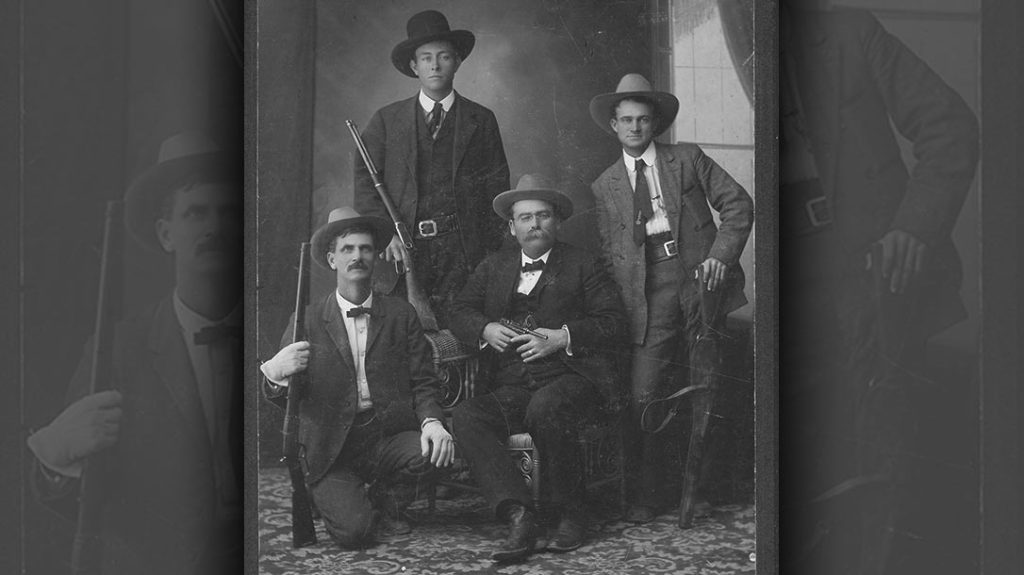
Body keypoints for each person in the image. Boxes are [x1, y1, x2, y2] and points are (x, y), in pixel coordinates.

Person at [779, 4, 979, 574]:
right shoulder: (742, 32)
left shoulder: (845, 30)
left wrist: (913, 227)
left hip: (863, 273)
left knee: (877, 446)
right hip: (784, 276)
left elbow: (950, 127)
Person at [26, 132, 243, 574]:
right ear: (166, 234)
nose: (214, 228)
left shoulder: (273, 333)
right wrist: (57, 456)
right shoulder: (121, 348)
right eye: (195, 213)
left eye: (229, 213)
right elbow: (69, 496)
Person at [588, 74, 754, 523]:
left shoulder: (687, 159)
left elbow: (738, 204)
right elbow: (608, 253)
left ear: (655, 122)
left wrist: (720, 256)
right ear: (614, 125)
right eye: (627, 120)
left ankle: (702, 491)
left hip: (699, 281)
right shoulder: (604, 185)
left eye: (644, 119)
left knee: (711, 389)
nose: (636, 128)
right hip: (647, 293)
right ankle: (652, 492)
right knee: (645, 395)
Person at [448, 174, 625, 562]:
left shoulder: (582, 264)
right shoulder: (494, 266)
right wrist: (485, 327)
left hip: (572, 380)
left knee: (545, 407)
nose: (534, 225)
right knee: (466, 415)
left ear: (557, 222)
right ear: (512, 227)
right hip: (513, 384)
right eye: (525, 218)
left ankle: (571, 513)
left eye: (543, 216)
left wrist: (562, 336)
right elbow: (458, 309)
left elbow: (613, 322)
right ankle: (518, 513)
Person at [260, 206, 454, 549]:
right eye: (347, 249)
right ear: (332, 259)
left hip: (385, 435)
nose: (357, 257)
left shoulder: (400, 313)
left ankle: (387, 503)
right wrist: (275, 374)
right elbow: (287, 397)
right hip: (333, 446)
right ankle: (329, 495)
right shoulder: (306, 318)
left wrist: (432, 422)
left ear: (376, 256)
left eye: (365, 249)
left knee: (435, 449)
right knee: (355, 534)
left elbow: (423, 381)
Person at [354, 9, 510, 328]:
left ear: (458, 61)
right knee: (405, 339)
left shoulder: (481, 120)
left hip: (464, 255)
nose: (435, 65)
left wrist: (486, 254)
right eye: (426, 58)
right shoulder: (386, 121)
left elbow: (497, 191)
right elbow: (365, 185)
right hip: (403, 254)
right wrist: (385, 235)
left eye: (443, 57)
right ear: (414, 66)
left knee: (463, 338)